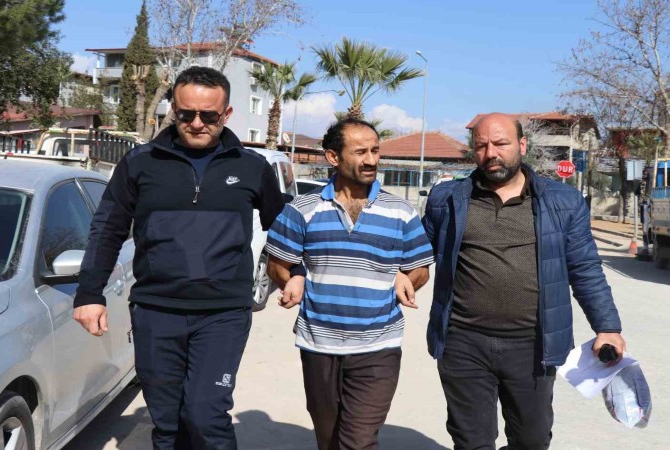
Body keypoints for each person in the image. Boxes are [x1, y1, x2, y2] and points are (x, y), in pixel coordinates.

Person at [73, 66, 285, 450]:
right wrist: (89, 293)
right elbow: (108, 228)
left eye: (209, 116)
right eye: (186, 114)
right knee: (167, 423)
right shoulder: (140, 163)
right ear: (173, 108)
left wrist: (295, 270)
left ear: (227, 114)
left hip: (222, 314)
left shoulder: (252, 167)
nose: (197, 123)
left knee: (206, 415)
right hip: (156, 311)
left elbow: (283, 226)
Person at [422, 113, 626, 450]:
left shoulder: (562, 202)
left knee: (531, 441)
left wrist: (607, 327)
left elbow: (585, 268)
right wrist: (400, 275)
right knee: (471, 442)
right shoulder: (447, 199)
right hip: (464, 342)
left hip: (533, 346)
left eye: (500, 144)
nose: (491, 153)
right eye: (481, 146)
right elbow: (415, 253)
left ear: (522, 145)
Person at [265, 118, 434, 450]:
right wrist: (293, 277)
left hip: (378, 345)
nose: (371, 160)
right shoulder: (302, 209)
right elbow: (277, 264)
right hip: (319, 344)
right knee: (329, 440)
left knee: (358, 441)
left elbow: (420, 269)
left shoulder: (401, 212)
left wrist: (407, 277)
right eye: (360, 152)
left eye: (375, 151)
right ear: (333, 157)